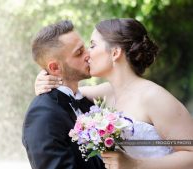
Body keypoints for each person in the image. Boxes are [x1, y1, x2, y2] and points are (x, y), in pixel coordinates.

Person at [34, 18, 193, 169]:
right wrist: (46, 79)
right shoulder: (104, 93)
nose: (87, 53)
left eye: (93, 45)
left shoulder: (153, 97)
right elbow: (68, 92)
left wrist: (136, 165)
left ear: (115, 53)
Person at [22, 20, 105, 169]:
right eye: (79, 53)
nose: (88, 55)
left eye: (85, 48)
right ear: (55, 68)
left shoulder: (88, 103)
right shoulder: (42, 115)